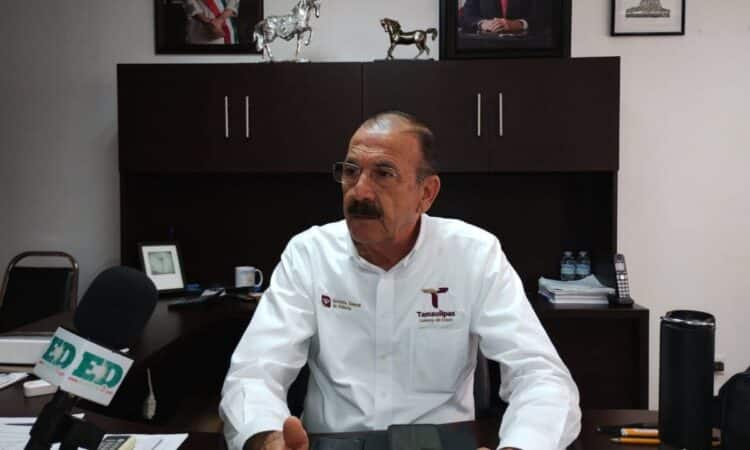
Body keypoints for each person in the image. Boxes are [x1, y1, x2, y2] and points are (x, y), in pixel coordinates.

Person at [220, 112, 581, 450]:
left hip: (440, 443)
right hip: (334, 442)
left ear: (426, 193)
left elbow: (541, 376)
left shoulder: (473, 254)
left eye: (384, 173)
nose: (359, 192)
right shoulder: (310, 253)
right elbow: (254, 371)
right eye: (351, 171)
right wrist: (267, 440)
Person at [460, 0, 539, 34]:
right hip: (486, 46)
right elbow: (465, 16)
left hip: (524, 46)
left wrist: (520, 24)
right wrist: (483, 24)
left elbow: (541, 15)